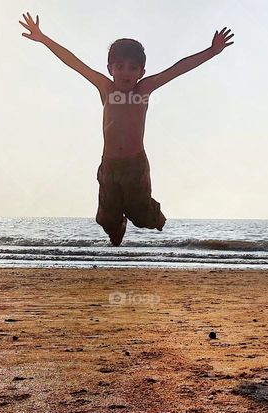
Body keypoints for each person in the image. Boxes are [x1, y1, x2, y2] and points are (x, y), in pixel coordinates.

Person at [19, 12, 234, 245]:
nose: (126, 72)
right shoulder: (106, 88)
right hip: (109, 164)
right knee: (105, 218)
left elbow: (178, 69)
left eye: (133, 68)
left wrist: (212, 51)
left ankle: (154, 216)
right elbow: (74, 63)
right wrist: (43, 38)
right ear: (110, 68)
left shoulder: (144, 89)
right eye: (120, 66)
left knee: (141, 217)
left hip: (134, 165)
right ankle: (117, 226)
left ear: (141, 72)